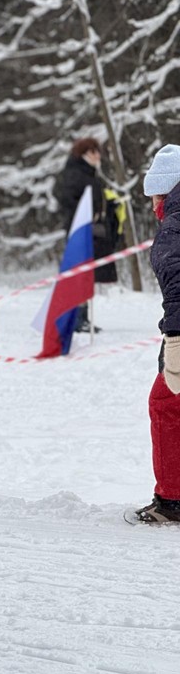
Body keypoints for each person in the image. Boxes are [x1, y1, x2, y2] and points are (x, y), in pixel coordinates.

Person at [134, 144, 180, 524]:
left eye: (156, 196)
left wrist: (176, 340)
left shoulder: (173, 230)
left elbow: (179, 291)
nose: (153, 207)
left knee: (165, 404)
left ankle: (172, 500)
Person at [55, 137, 116, 333]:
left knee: (87, 274)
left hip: (92, 231)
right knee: (79, 274)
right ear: (83, 154)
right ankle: (76, 318)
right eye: (93, 152)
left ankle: (82, 317)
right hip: (80, 231)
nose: (97, 156)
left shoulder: (89, 174)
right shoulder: (75, 175)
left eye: (98, 151)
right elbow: (67, 201)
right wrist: (87, 214)